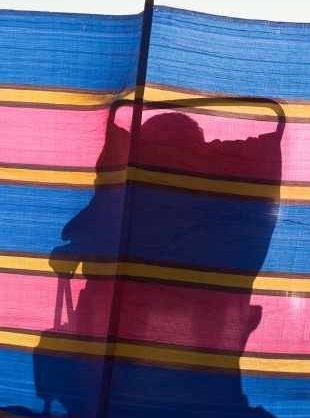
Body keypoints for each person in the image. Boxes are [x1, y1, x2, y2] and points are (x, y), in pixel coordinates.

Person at [33, 100, 283, 417]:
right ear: (199, 147)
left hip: (115, 369)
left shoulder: (127, 193)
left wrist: (74, 248)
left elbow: (79, 233)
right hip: (206, 368)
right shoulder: (234, 208)